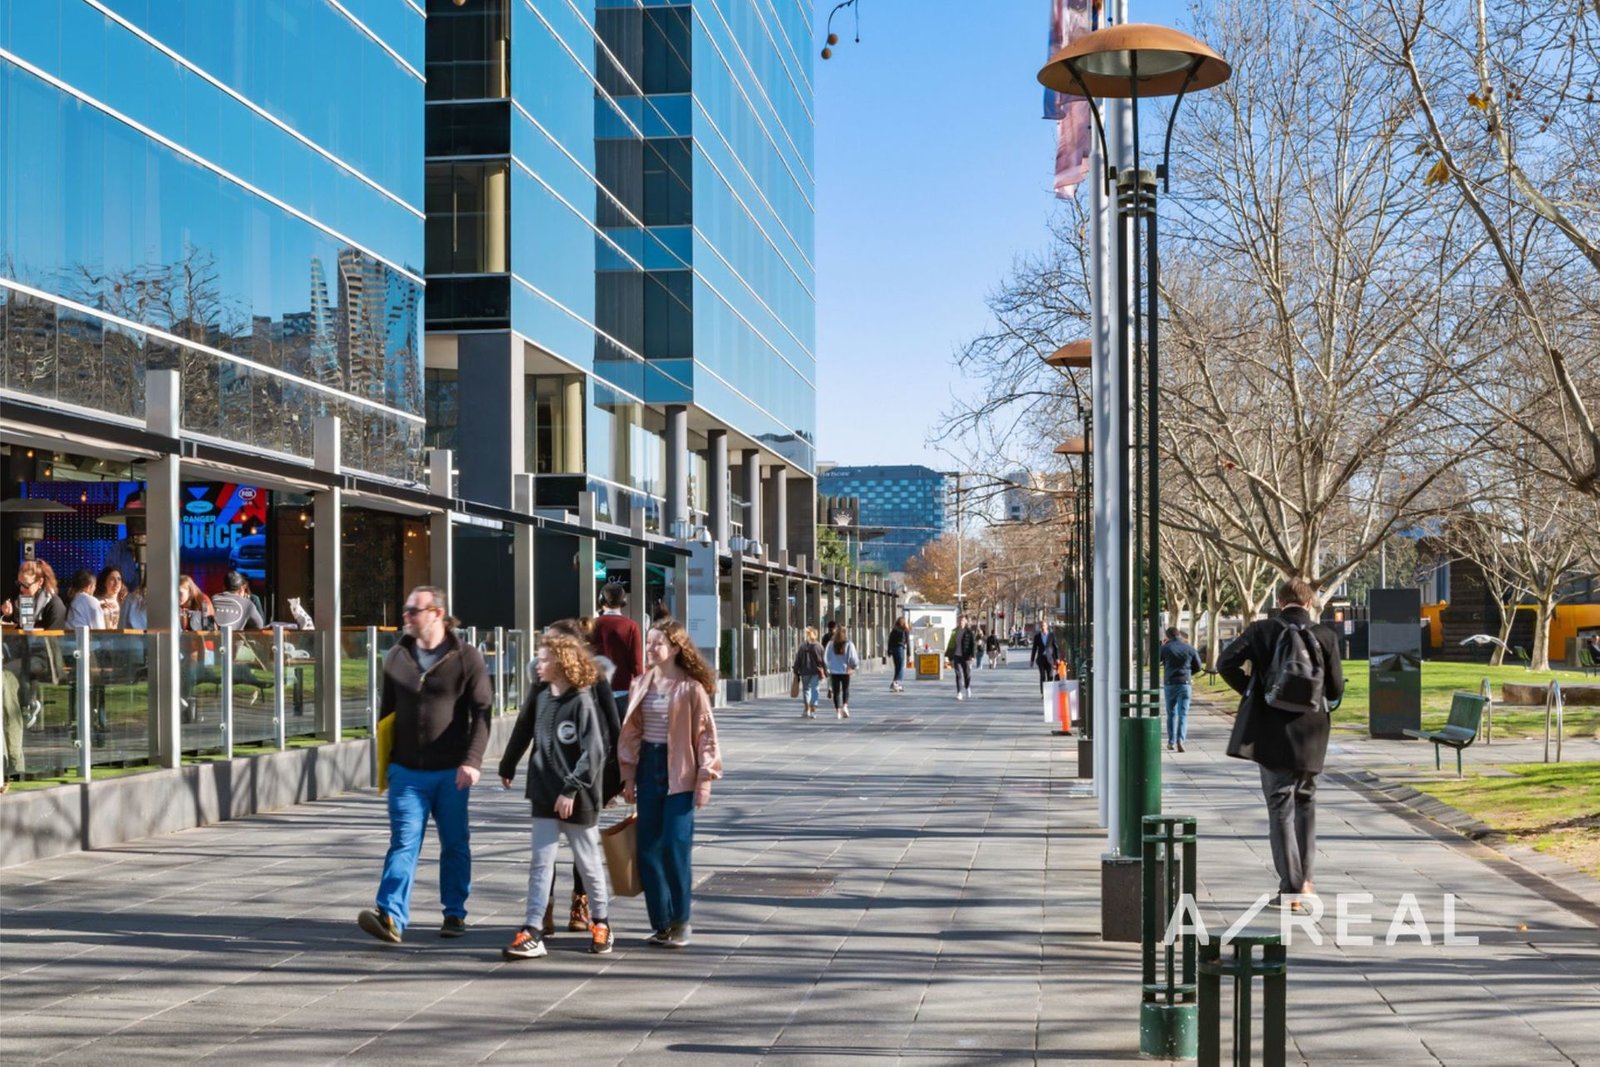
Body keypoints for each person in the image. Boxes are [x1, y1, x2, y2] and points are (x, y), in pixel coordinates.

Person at [358, 586, 493, 944]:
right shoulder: (397, 657)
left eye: (413, 610)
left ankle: (454, 912)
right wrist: (387, 764)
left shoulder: (466, 657)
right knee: (403, 842)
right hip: (406, 772)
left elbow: (482, 714)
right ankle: (390, 915)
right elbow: (387, 714)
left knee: (455, 844)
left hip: (451, 772)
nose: (406, 616)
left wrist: (473, 761)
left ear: (437, 613)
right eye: (406, 610)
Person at [1217, 578, 1344, 912]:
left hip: (1271, 728)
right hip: (1312, 731)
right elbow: (1335, 689)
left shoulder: (1262, 630)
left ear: (1280, 600)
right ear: (1309, 603)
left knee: (1280, 807)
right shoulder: (1325, 635)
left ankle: (1291, 889)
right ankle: (1307, 880)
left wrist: (1253, 690)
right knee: (1306, 802)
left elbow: (1224, 663)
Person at [497, 629, 613, 960]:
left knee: (588, 863)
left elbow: (594, 751)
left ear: (562, 664)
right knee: (540, 863)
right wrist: (508, 764)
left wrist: (571, 789)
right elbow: (524, 728)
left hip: (578, 797)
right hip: (543, 792)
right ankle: (533, 929)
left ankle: (601, 922)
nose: (538, 664)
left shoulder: (582, 701)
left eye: (544, 659)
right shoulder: (542, 696)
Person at [619, 618, 722, 949]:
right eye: (648, 642)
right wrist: (628, 776)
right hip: (648, 766)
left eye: (658, 643)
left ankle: (681, 921)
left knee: (675, 846)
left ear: (676, 648)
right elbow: (631, 733)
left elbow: (706, 736)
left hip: (680, 770)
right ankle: (661, 923)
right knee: (647, 848)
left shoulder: (691, 688)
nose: (651, 648)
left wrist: (705, 778)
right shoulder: (640, 683)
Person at [547, 617, 624, 934]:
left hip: (589, 770)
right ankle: (545, 905)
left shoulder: (595, 677)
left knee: (581, 839)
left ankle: (580, 902)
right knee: (546, 841)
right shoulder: (544, 677)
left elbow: (613, 726)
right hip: (551, 769)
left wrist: (621, 774)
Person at [591, 582, 643, 696]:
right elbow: (637, 663)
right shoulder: (631, 626)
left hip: (596, 688)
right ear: (623, 601)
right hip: (622, 688)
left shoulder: (591, 625)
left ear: (601, 600)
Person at [1159, 627, 1204, 753]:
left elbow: (1156, 660)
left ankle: (1171, 742)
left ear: (1167, 636)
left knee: (1171, 714)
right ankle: (1180, 740)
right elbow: (1198, 667)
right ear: (1179, 635)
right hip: (1185, 683)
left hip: (1170, 683)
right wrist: (1188, 674)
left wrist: (1162, 646)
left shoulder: (1166, 648)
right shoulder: (1189, 648)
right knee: (1183, 714)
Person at [2, 561, 67, 632]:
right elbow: (22, 629)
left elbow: (53, 636)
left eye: (26, 585)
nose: (21, 588)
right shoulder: (26, 600)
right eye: (19, 584)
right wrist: (9, 615)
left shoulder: (55, 605)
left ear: (40, 582)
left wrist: (33, 632)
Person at [823, 624, 860, 719]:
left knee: (836, 692)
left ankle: (838, 711)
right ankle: (845, 706)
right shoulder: (849, 644)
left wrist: (828, 667)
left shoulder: (830, 644)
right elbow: (853, 658)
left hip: (834, 671)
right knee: (845, 689)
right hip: (845, 670)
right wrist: (853, 667)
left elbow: (826, 657)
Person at [792, 626, 828, 718]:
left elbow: (798, 660)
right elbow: (823, 660)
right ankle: (813, 710)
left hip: (804, 671)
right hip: (816, 671)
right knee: (815, 689)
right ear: (815, 635)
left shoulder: (802, 646)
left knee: (806, 689)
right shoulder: (819, 646)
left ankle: (806, 709)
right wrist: (826, 671)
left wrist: (796, 670)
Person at [945, 615, 977, 700]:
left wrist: (973, 655)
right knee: (958, 674)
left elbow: (973, 644)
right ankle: (959, 692)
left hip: (966, 656)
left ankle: (967, 687)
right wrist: (949, 656)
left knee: (967, 674)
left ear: (965, 622)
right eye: (959, 620)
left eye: (962, 620)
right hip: (956, 656)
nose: (960, 622)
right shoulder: (955, 631)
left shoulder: (969, 632)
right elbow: (951, 643)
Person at [1030, 623, 1059, 695]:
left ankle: (1049, 693)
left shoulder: (1051, 635)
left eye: (1044, 626)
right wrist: (1032, 660)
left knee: (1050, 676)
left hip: (1050, 659)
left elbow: (1055, 647)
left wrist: (1057, 658)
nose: (1042, 627)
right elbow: (1034, 649)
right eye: (1041, 626)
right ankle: (1043, 693)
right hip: (1041, 659)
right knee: (1042, 676)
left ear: (1047, 627)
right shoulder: (1037, 637)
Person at [887, 617, 910, 693]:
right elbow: (908, 642)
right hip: (900, 648)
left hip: (894, 649)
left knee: (897, 666)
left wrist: (889, 650)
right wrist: (909, 654)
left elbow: (890, 640)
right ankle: (895, 682)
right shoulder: (905, 630)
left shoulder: (894, 630)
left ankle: (895, 683)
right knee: (900, 666)